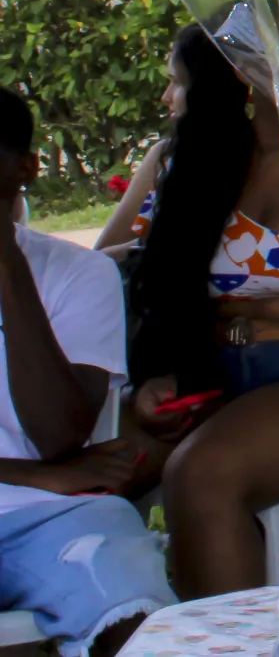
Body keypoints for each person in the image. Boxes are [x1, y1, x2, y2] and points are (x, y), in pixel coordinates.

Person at [105, 26, 279, 600]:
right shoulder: (187, 159)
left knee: (201, 478)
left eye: (177, 84)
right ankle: (112, 619)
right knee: (85, 468)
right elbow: (120, 272)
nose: (168, 98)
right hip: (209, 373)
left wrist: (256, 311)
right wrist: (153, 377)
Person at [0, 89, 173, 654]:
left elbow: (58, 435)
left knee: (129, 598)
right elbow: (53, 463)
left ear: (23, 169)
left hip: (52, 520)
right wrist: (32, 475)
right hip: (43, 489)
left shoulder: (79, 274)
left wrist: (6, 258)